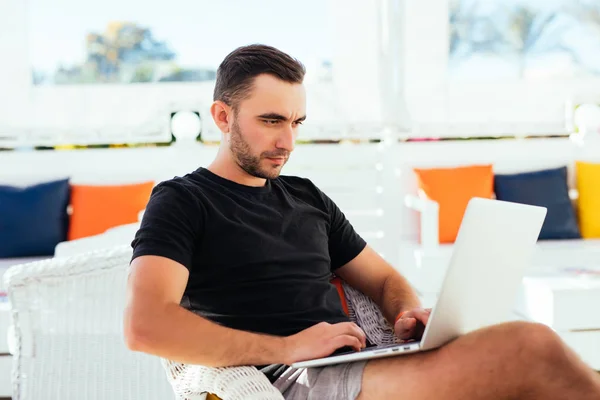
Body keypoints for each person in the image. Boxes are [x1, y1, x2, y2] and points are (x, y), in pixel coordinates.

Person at [124, 44, 600, 399]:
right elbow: (145, 326)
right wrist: (286, 348)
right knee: (528, 347)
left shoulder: (305, 196)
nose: (288, 141)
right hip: (286, 381)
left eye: (297, 122)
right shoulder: (183, 201)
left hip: (362, 361)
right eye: (272, 121)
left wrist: (406, 315)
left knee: (537, 356)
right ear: (223, 117)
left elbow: (385, 277)